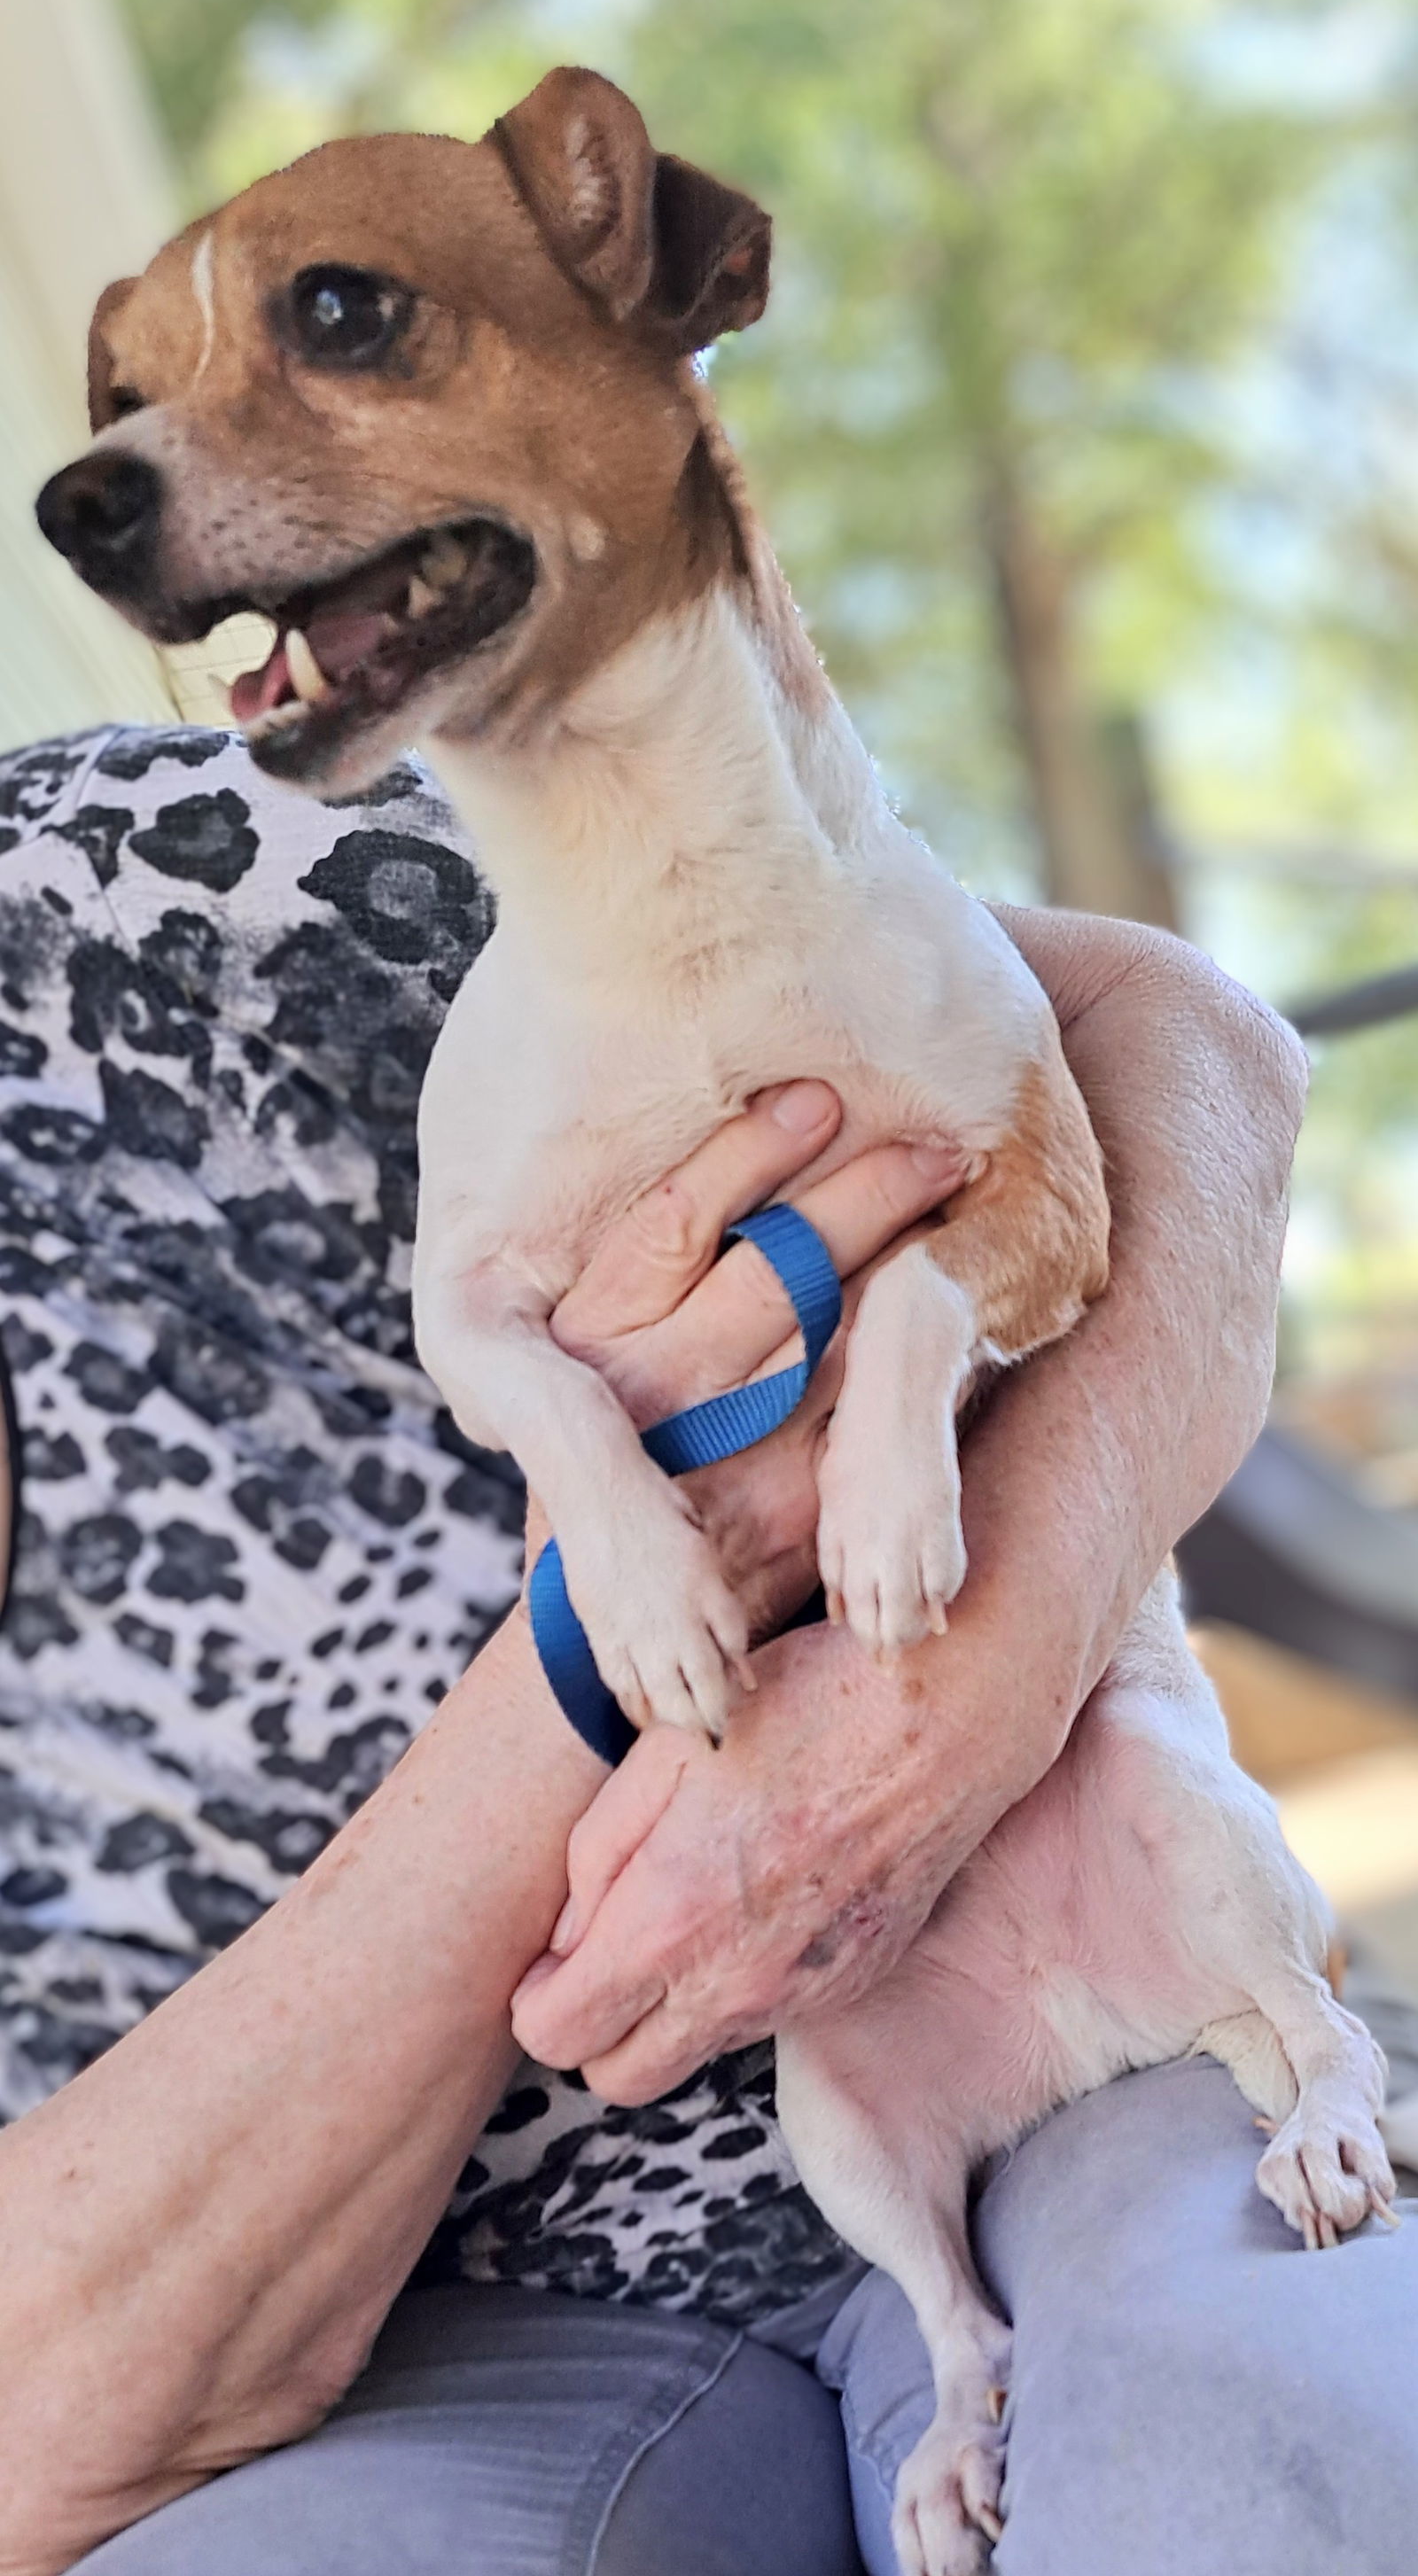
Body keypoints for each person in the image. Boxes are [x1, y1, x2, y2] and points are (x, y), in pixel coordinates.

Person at [0, 720, 1410, 2576]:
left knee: (1267, 2479)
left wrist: (974, 1685)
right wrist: (636, 1612)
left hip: (1097, 2018)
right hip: (395, 2376)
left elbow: (1176, 1042)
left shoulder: (117, 900)